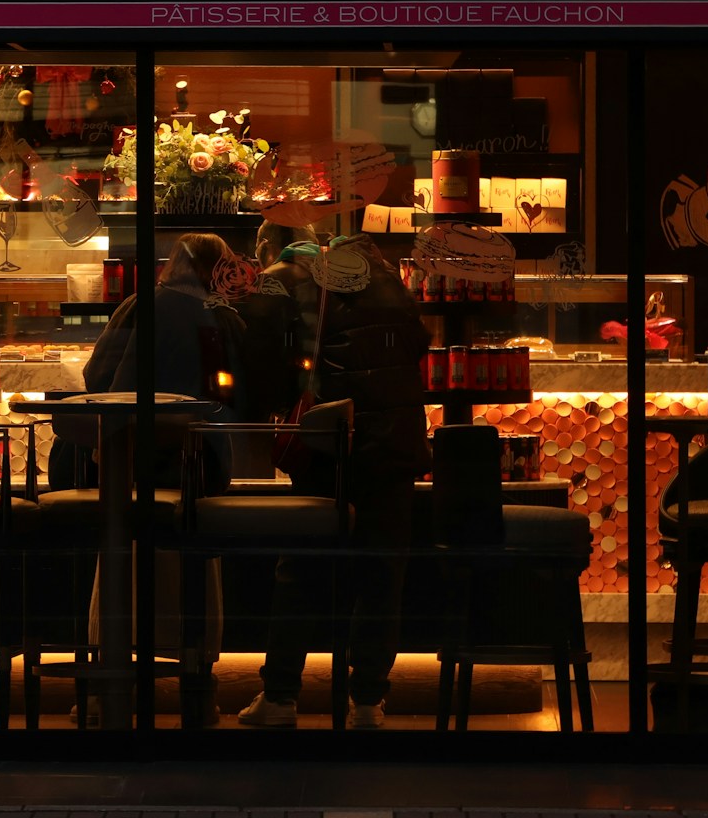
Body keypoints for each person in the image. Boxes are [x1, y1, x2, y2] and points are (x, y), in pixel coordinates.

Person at [239, 232, 429, 730]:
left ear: (269, 248)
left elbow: (261, 366)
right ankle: (367, 701)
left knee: (301, 570)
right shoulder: (388, 280)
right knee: (381, 576)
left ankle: (280, 695)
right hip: (395, 445)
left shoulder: (283, 280)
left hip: (330, 445)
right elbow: (420, 345)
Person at [47, 232, 243, 493]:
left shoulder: (138, 304)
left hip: (121, 458)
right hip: (198, 462)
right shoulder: (225, 319)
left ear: (174, 262)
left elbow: (96, 374)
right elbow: (235, 394)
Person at [229, 219, 321, 477]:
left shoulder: (269, 280)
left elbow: (260, 354)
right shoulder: (336, 273)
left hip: (289, 408)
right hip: (331, 402)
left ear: (266, 246)